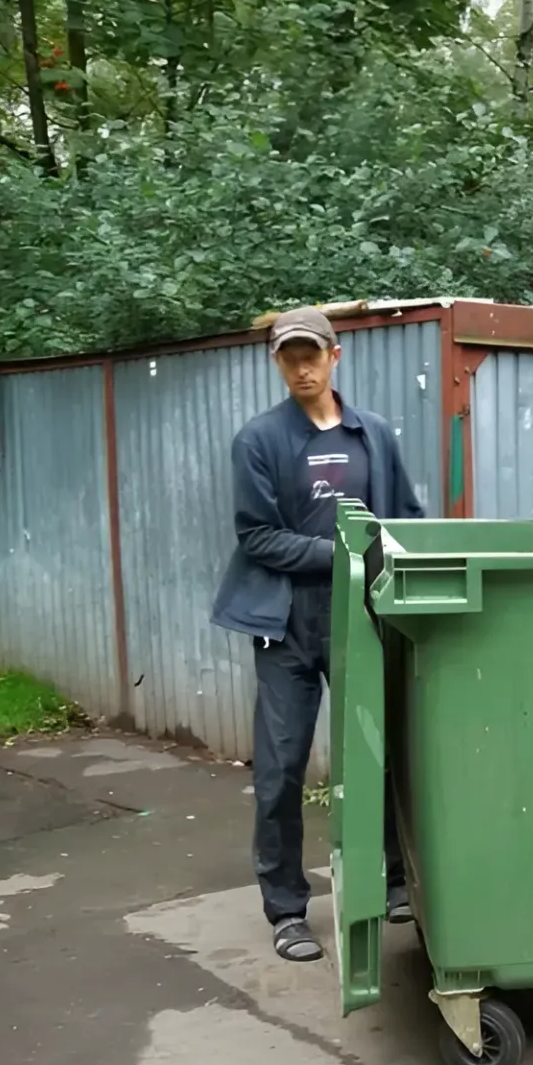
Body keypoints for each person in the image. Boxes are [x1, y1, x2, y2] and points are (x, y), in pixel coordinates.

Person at [210, 307, 425, 963]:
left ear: (336, 355)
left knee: (383, 754)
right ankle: (286, 908)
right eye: (288, 357)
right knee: (279, 771)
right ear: (278, 363)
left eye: (311, 354)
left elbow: (406, 522)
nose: (301, 367)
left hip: (362, 618)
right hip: (287, 626)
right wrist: (346, 551)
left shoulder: (375, 436)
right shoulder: (260, 440)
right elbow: (258, 536)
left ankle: (396, 880)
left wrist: (394, 575)